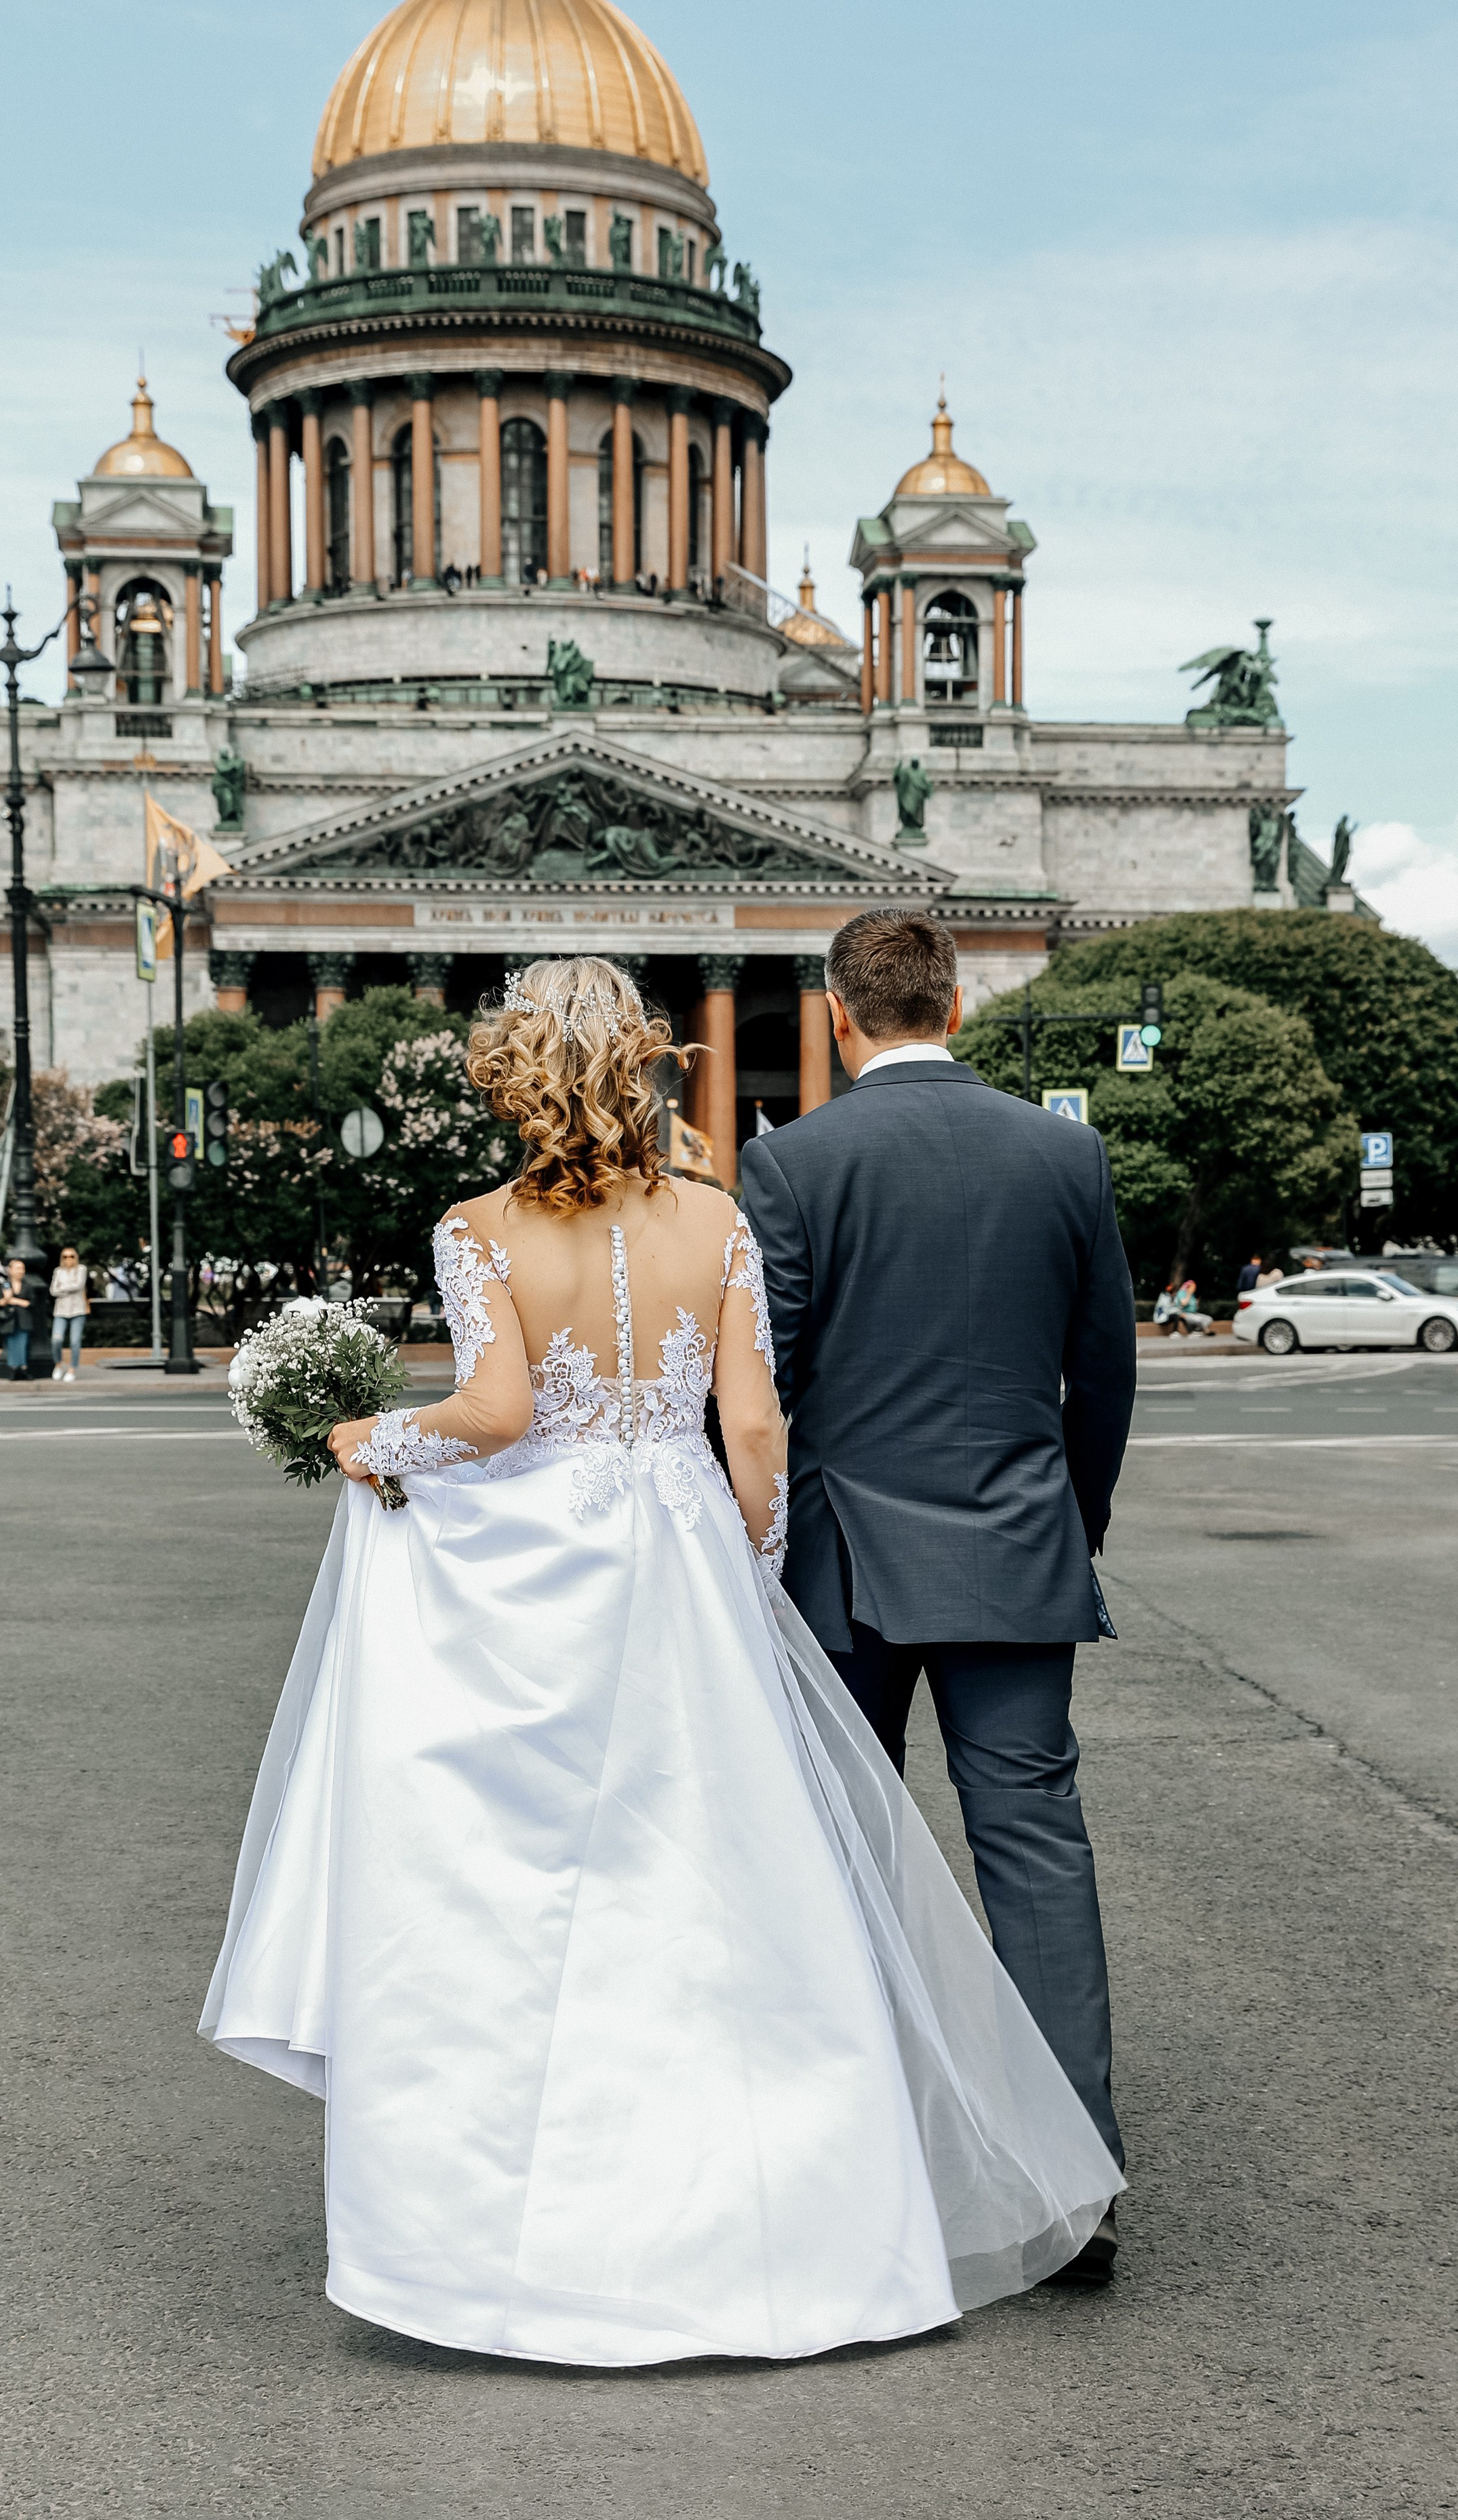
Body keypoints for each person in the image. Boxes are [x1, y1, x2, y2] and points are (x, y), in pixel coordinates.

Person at [203, 955, 1120, 2367]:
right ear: (639, 1066)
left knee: (529, 1881)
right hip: (696, 1552)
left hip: (546, 1578)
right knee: (734, 1880)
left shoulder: (481, 1225)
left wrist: (363, 1440)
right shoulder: (716, 1215)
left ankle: (524, 2220)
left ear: (513, 1074)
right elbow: (755, 1429)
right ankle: (807, 2204)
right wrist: (749, 1572)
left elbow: (498, 1412)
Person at [741, 909, 1135, 2283]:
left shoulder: (790, 1160)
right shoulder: (1062, 1150)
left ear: (841, 1016)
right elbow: (1102, 1374)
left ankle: (874, 2161)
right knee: (1035, 1850)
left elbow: (765, 1387)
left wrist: (752, 1551)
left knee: (850, 1851)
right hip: (1018, 1548)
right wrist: (1060, 1525)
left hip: (846, 1564)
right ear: (954, 1007)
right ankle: (1072, 2181)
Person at [50, 1245, 89, 1380]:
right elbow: (53, 1291)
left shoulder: (81, 1269)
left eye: (71, 1256)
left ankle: (72, 1369)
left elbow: (79, 1286)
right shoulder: (58, 1271)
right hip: (61, 1311)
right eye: (65, 1256)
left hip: (78, 1310)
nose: (68, 1259)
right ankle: (58, 1365)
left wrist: (63, 1288)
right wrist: (68, 1288)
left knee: (75, 1341)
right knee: (56, 1340)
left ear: (76, 1257)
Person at [0, 1258, 31, 1375]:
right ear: (10, 1270)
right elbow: (0, 1303)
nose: (20, 1271)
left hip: (24, 1319)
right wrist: (7, 1299)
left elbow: (30, 1303)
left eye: (22, 1269)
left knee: (23, 1344)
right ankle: (14, 1368)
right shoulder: (5, 1285)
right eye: (17, 1269)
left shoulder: (28, 1285)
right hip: (10, 1320)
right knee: (12, 1344)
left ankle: (23, 1368)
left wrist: (12, 1300)